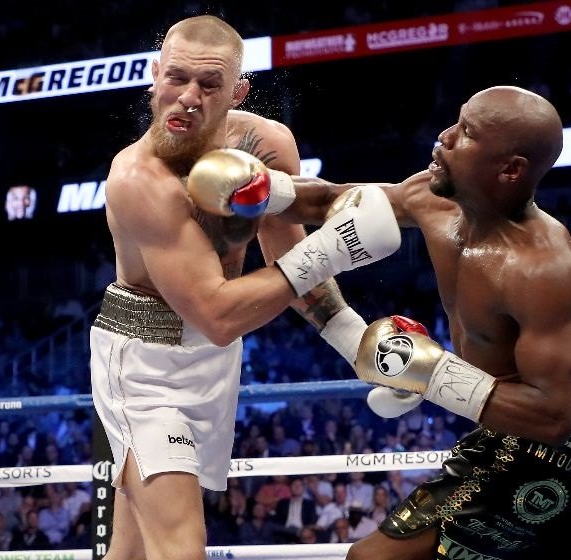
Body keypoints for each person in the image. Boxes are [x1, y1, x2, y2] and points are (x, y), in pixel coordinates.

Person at [89, 15, 400, 560]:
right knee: (180, 548)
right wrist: (338, 246)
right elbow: (217, 313)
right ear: (155, 75)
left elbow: (289, 262)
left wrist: (358, 345)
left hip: (215, 359)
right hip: (143, 362)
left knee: (133, 549)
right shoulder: (139, 178)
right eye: (176, 78)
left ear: (238, 92)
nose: (188, 97)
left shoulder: (266, 144)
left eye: (209, 85)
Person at [273, 86, 571, 559]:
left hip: (568, 447)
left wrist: (427, 372)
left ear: (510, 169)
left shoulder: (545, 269)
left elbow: (553, 417)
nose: (445, 136)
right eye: (456, 122)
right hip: (505, 430)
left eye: (467, 133)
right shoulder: (430, 196)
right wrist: (256, 190)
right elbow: (329, 201)